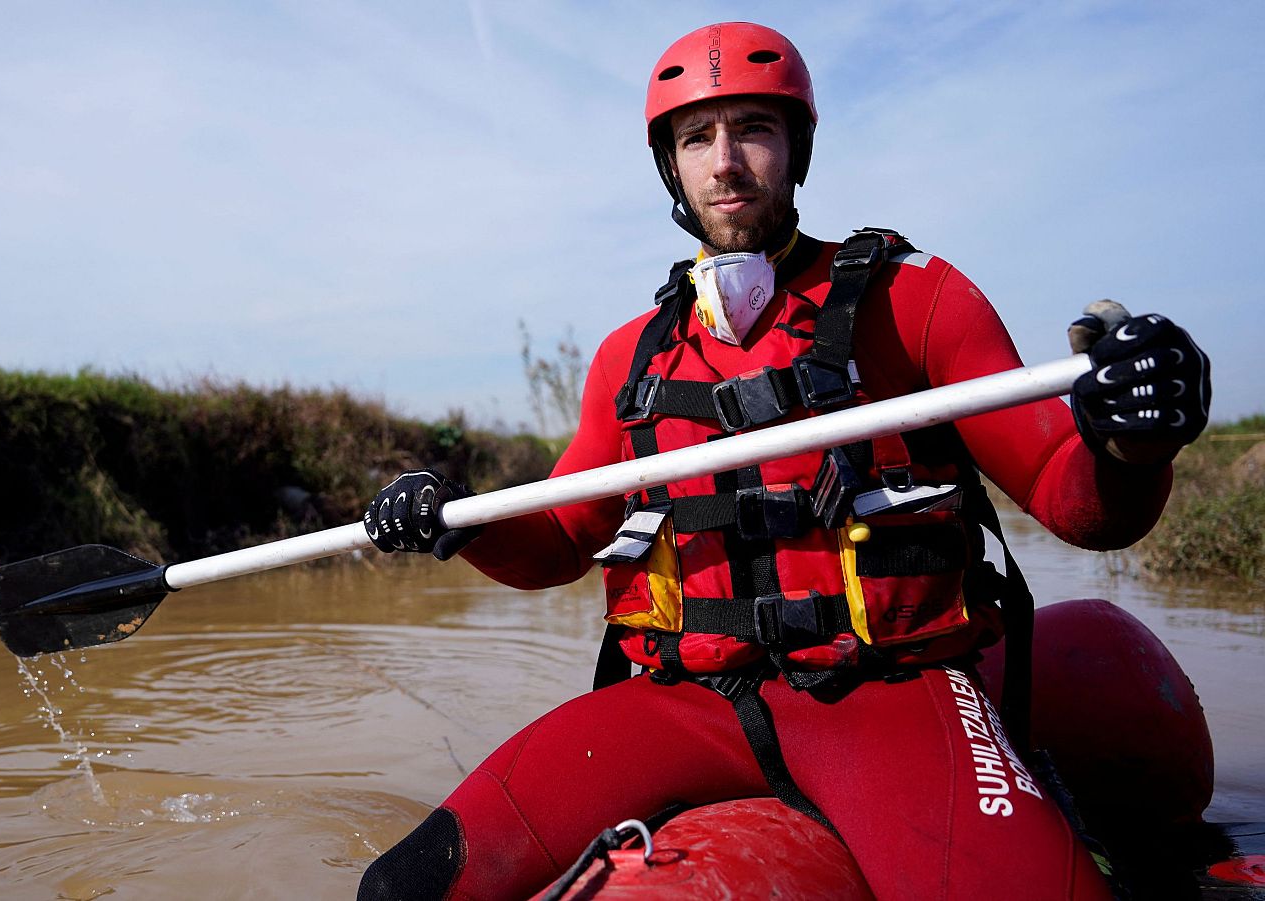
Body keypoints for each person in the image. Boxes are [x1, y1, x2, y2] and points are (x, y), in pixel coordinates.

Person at [357, 22, 1211, 901]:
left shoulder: (916, 300)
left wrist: (1132, 443)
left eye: (752, 130)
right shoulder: (631, 356)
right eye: (697, 138)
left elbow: (1074, 501)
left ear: (796, 148)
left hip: (890, 699)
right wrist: (456, 519)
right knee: (404, 887)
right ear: (672, 167)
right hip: (685, 701)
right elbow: (563, 536)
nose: (725, 162)